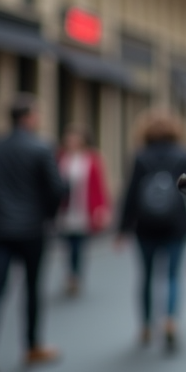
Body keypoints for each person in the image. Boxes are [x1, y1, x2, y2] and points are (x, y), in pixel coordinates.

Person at [0, 94, 66, 372]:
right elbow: (56, 190)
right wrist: (47, 216)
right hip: (32, 230)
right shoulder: (41, 147)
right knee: (32, 289)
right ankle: (32, 345)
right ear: (30, 117)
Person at [117, 109, 186, 352]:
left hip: (145, 226)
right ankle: (170, 321)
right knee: (171, 276)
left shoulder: (140, 156)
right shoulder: (184, 155)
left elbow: (130, 194)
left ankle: (146, 326)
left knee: (145, 277)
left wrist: (122, 228)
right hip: (176, 224)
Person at [55, 125, 111, 296]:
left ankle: (76, 276)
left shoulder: (92, 159)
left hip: (84, 209)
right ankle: (71, 273)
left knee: (79, 245)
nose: (72, 142)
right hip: (65, 209)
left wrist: (102, 208)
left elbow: (99, 186)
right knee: (68, 244)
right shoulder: (60, 158)